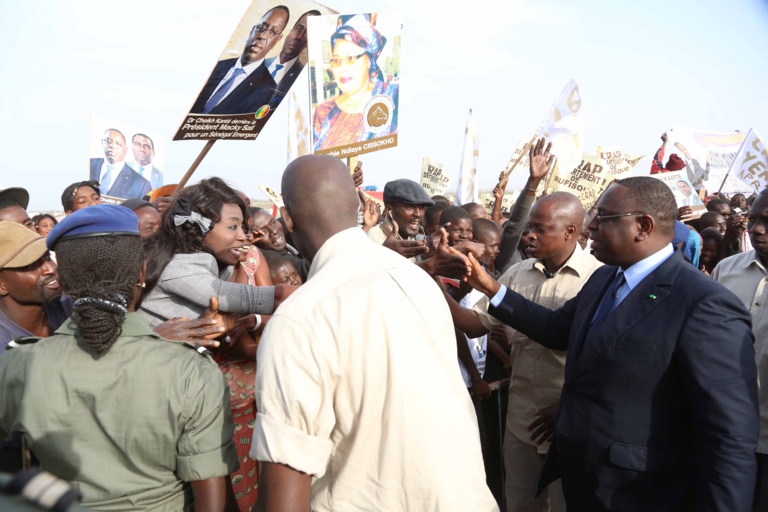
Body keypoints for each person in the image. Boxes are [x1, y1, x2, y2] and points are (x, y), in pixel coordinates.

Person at [463, 176, 758, 511]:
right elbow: (557, 329)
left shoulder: (703, 303)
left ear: (643, 226)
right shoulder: (606, 277)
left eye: (602, 217)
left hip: (644, 492)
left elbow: (728, 438)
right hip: (586, 479)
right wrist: (492, 288)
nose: (590, 226)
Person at [252, 154, 498, 511]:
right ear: (357, 206)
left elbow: (284, 492)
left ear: (287, 218)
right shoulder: (416, 279)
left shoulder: (298, 319)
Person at [0, 204, 239, 510]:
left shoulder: (18, 364)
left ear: (65, 280)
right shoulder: (192, 371)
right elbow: (212, 499)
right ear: (142, 272)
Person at [444, 192, 600, 512]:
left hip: (569, 426)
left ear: (570, 232)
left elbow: (604, 362)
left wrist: (570, 405)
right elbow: (475, 326)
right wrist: (430, 281)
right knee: (521, 505)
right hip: (520, 422)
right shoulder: (517, 275)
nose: (529, 236)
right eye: (530, 227)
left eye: (540, 229)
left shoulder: (596, 279)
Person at [139, 177, 294, 328]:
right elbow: (255, 298)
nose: (242, 236)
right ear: (200, 229)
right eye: (233, 227)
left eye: (242, 227)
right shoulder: (179, 267)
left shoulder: (215, 261)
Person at [711, 188, 768, 510]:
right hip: (722, 437)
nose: (757, 229)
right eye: (754, 219)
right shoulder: (727, 271)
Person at [313, 14, 399, 151]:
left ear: (369, 61)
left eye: (351, 58)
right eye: (336, 60)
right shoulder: (322, 112)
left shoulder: (394, 96)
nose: (343, 67)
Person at [190, 6, 289, 115]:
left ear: (277, 40)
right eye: (260, 27)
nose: (262, 36)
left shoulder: (267, 88)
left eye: (273, 32)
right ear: (252, 30)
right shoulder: (217, 65)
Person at [367, 178, 433, 261]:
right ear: (389, 209)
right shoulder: (374, 239)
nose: (418, 214)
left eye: (421, 207)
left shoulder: (410, 238)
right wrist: (387, 255)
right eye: (409, 207)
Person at [266, 10, 321, 109]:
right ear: (291, 31)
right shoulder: (260, 64)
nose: (298, 37)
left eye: (306, 34)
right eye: (299, 29)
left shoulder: (302, 81)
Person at [251, 208, 311, 282]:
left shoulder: (276, 237)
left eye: (273, 222)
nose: (274, 230)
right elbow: (307, 269)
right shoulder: (270, 259)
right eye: (264, 231)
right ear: (252, 238)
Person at [88, 129, 151, 199]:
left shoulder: (141, 184)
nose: (112, 146)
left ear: (126, 150)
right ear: (102, 142)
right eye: (108, 141)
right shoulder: (88, 164)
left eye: (118, 144)